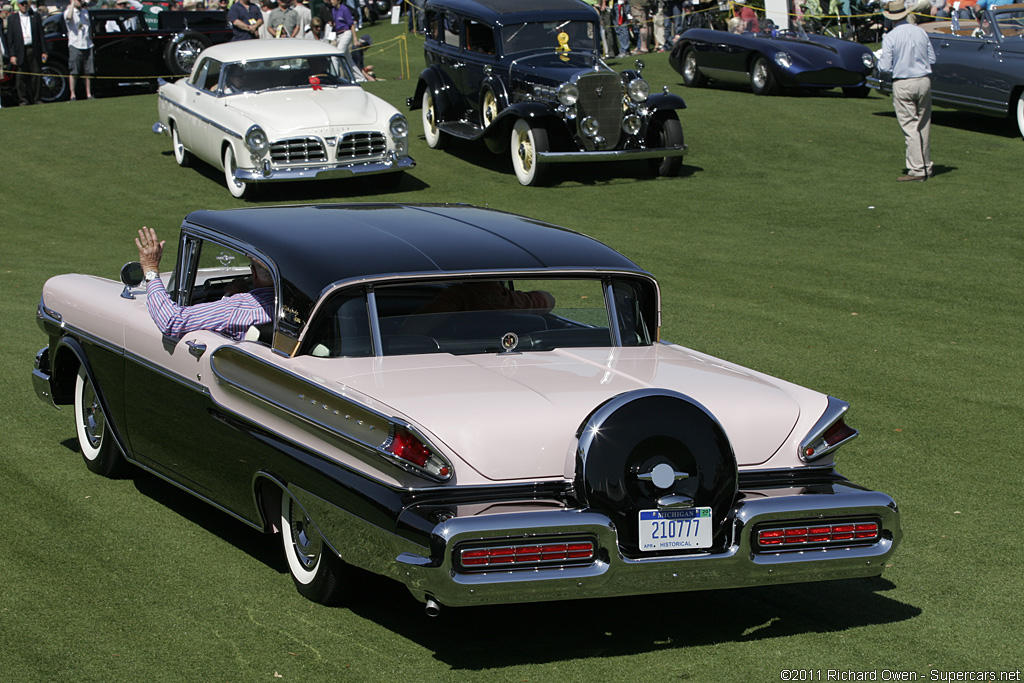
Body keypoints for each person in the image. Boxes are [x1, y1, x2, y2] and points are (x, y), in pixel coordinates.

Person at [134, 227, 275, 340]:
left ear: (254, 274)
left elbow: (172, 321)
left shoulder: (237, 308)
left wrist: (150, 269)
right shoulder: (293, 306)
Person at [877, 0, 935, 181]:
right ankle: (924, 166)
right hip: (923, 80)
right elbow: (932, 58)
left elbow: (885, 67)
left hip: (903, 82)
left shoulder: (891, 37)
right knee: (922, 125)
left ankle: (918, 169)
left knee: (910, 126)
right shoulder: (921, 32)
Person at [6, 0, 47, 106]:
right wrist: (12, 55)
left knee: (36, 75)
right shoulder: (12, 18)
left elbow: (41, 35)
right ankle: (23, 100)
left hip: (33, 49)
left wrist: (44, 51)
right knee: (21, 77)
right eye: (22, 4)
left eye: (25, 4)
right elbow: (10, 39)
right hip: (20, 50)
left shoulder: (35, 16)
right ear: (18, 5)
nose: (24, 6)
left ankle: (37, 99)